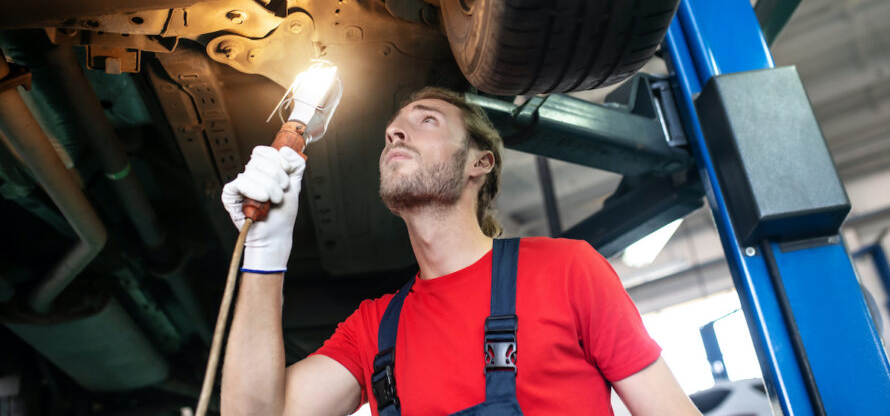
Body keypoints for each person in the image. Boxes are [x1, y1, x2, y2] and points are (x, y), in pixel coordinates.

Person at [220, 87, 701, 416]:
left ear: (480, 163)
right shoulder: (373, 330)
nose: (395, 133)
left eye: (425, 120)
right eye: (391, 130)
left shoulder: (566, 270)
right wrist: (266, 252)